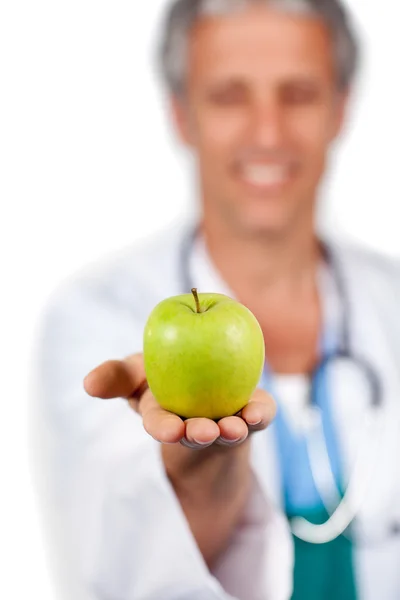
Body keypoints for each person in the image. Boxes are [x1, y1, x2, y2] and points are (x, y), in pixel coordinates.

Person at [35, 0, 400, 599]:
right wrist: (203, 468)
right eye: (230, 95)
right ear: (182, 115)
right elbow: (122, 573)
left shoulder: (392, 300)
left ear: (341, 109)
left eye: (299, 93)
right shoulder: (94, 321)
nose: (267, 132)